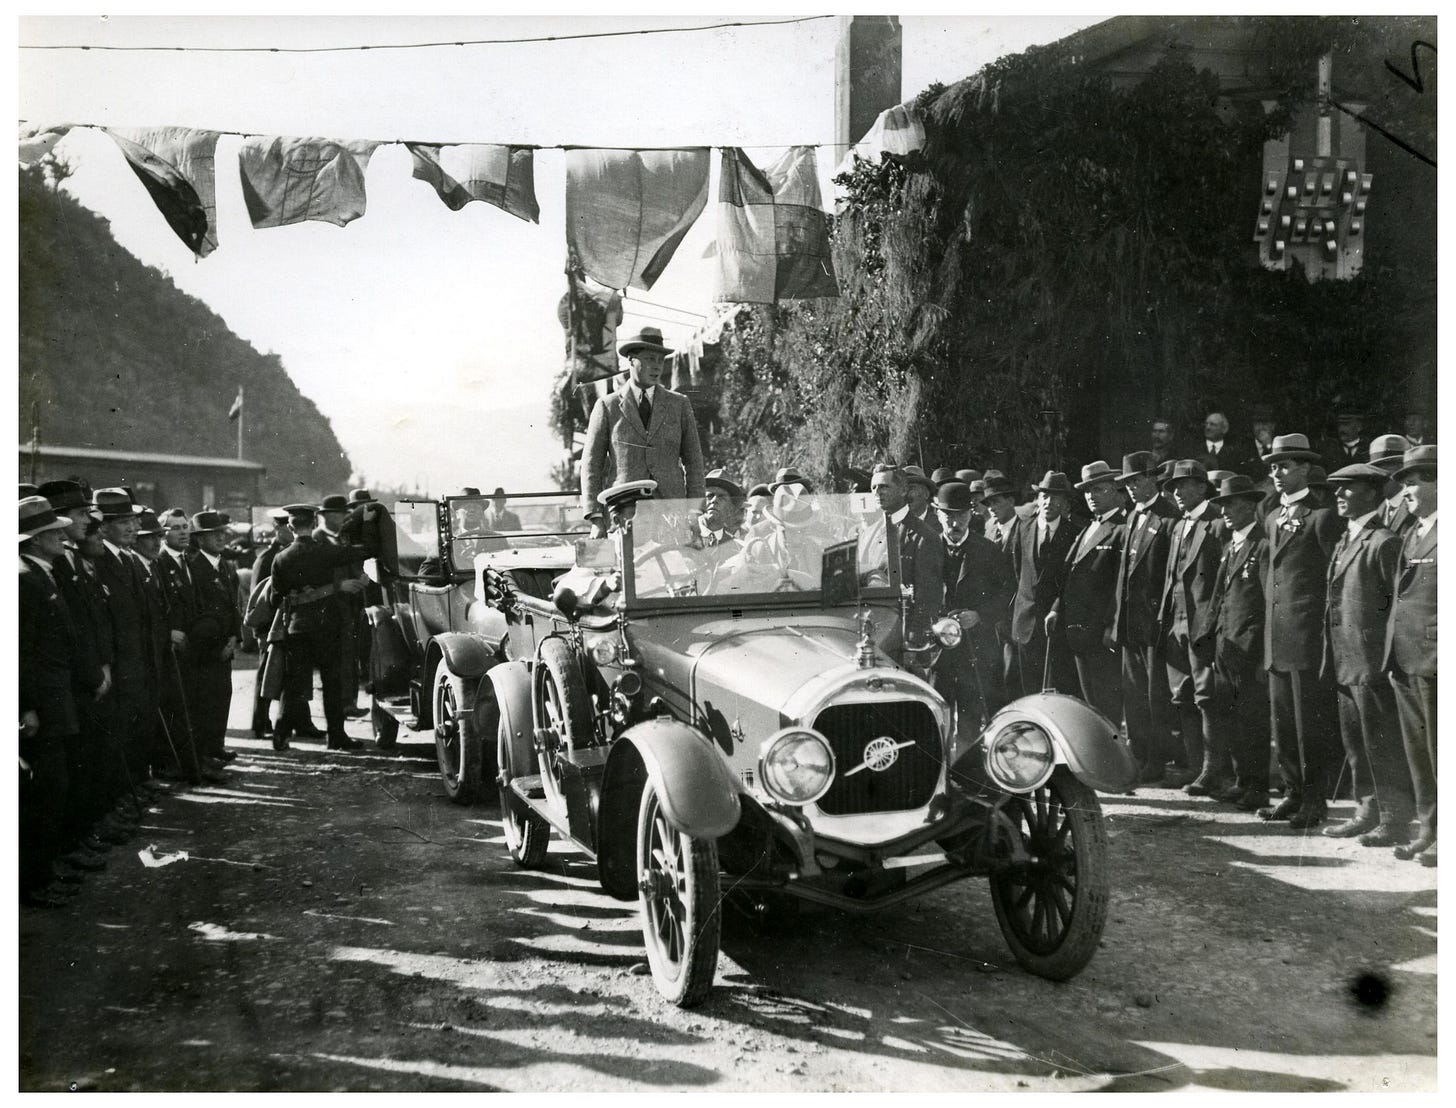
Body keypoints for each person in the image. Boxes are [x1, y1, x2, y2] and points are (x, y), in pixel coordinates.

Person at [1320, 463, 1412, 846]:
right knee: (1356, 741)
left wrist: (1388, 660)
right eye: (1337, 489)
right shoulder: (1348, 538)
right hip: (1345, 658)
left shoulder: (1384, 541)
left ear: (1372, 494)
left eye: (1349, 489)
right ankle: (1367, 809)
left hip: (1371, 660)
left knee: (1381, 741)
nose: (1339, 496)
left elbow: (1397, 606)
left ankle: (1394, 818)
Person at [1259, 433, 1344, 829]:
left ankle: (1315, 799)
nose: (1277, 473)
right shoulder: (1273, 516)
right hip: (1276, 635)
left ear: (1306, 469)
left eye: (1285, 465)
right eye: (1273, 466)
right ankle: (1292, 792)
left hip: (1307, 635)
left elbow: (1334, 577)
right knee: (1283, 722)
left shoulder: (1323, 515)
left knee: (1310, 722)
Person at [270, 503, 376, 750]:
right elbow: (368, 549)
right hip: (328, 626)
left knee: (294, 684)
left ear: (290, 526)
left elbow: (276, 599)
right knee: (332, 682)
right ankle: (336, 737)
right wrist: (368, 522)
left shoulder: (280, 558)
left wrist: (298, 594)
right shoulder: (325, 551)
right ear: (314, 523)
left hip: (297, 628)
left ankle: (281, 733)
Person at [582, 325, 705, 536]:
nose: (657, 366)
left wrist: (693, 511)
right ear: (631, 360)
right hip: (624, 513)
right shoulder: (607, 406)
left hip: (672, 516)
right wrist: (595, 518)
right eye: (650, 359)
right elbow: (591, 465)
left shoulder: (679, 404)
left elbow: (694, 462)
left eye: (660, 360)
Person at [1158, 460, 1227, 793]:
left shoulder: (1216, 523)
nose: (1176, 491)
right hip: (1177, 622)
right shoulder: (1178, 526)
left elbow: (1222, 581)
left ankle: (1214, 770)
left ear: (1202, 487)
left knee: (1207, 697)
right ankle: (1194, 765)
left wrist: (1212, 623)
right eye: (1173, 486)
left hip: (1202, 623)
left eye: (1183, 485)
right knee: (1182, 694)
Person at [1112, 452, 1179, 783]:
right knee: (1134, 692)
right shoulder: (1131, 517)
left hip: (1153, 621)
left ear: (1153, 479)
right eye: (1127, 483)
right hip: (1129, 621)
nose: (1132, 488)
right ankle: (1137, 755)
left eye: (1137, 481)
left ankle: (1156, 759)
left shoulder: (1168, 517)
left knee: (1155, 696)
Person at [1384, 446, 1437, 867]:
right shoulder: (1413, 532)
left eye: (1416, 481)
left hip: (1435, 659)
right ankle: (1428, 829)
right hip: (1405, 658)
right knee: (1418, 752)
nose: (1407, 491)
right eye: (1404, 483)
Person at [1207, 475, 1272, 810]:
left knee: (1253, 721)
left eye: (1232, 505)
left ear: (1250, 505)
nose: (1226, 512)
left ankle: (1258, 786)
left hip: (1249, 649)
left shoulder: (1262, 545)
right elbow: (1222, 597)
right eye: (1222, 506)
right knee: (1230, 718)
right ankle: (1241, 780)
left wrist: (1262, 655)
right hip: (1226, 646)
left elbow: (1264, 602)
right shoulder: (1231, 545)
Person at [1047, 461, 1126, 724]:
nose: (1092, 496)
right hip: (1077, 632)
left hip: (1099, 633)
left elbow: (1119, 585)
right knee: (1087, 705)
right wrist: (1057, 608)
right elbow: (1069, 576)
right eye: (1088, 491)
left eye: (1099, 489)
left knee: (1106, 707)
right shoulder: (1088, 528)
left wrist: (1110, 628)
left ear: (1115, 490)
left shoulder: (1122, 528)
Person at [933, 481, 1014, 726]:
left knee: (970, 720)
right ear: (938, 515)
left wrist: (979, 615)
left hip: (976, 650)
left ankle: (966, 765)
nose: (955, 523)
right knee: (937, 717)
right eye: (948, 516)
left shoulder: (988, 550)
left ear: (971, 514)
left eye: (961, 516)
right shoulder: (928, 548)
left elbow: (1007, 593)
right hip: (938, 651)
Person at [1007, 472, 1077, 698]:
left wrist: (1057, 608)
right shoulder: (1023, 528)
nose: (1048, 502)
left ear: (1065, 503)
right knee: (1027, 690)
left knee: (1056, 692)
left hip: (1055, 627)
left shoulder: (1074, 533)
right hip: (1025, 623)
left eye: (1055, 497)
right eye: (1044, 496)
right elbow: (1017, 571)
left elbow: (1070, 581)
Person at [860, 464, 944, 645]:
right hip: (869, 633)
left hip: (903, 637)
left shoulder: (925, 536)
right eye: (874, 487)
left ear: (903, 489)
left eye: (884, 486)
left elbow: (928, 600)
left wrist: (913, 640)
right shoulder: (868, 533)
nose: (877, 492)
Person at [185, 510, 242, 765]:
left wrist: (233, 637)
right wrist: (219, 644)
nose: (220, 538)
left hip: (224, 646)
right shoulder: (194, 567)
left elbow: (233, 606)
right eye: (213, 534)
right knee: (205, 700)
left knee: (223, 696)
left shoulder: (226, 566)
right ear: (199, 539)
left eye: (222, 533)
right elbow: (197, 613)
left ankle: (216, 746)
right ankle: (204, 752)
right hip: (207, 649)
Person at [1369, 434, 1416, 536]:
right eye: (1374, 474)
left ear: (1402, 470)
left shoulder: (1417, 506)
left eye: (1385, 471)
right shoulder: (1377, 510)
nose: (1378, 479)